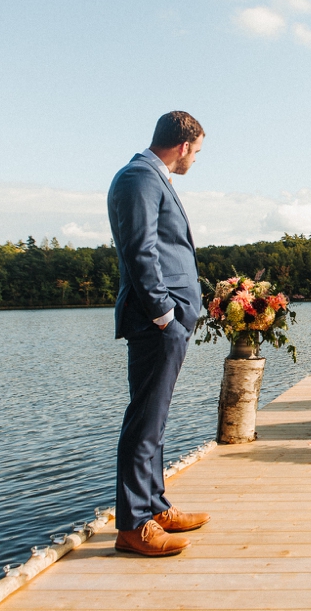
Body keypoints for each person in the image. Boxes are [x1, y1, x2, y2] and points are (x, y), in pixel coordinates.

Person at [107, 111, 211, 557]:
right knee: (144, 420)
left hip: (166, 319)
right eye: (198, 152)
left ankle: (154, 506)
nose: (196, 161)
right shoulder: (140, 177)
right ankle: (133, 525)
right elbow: (140, 250)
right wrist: (164, 313)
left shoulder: (153, 177)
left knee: (157, 417)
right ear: (184, 145)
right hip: (156, 321)